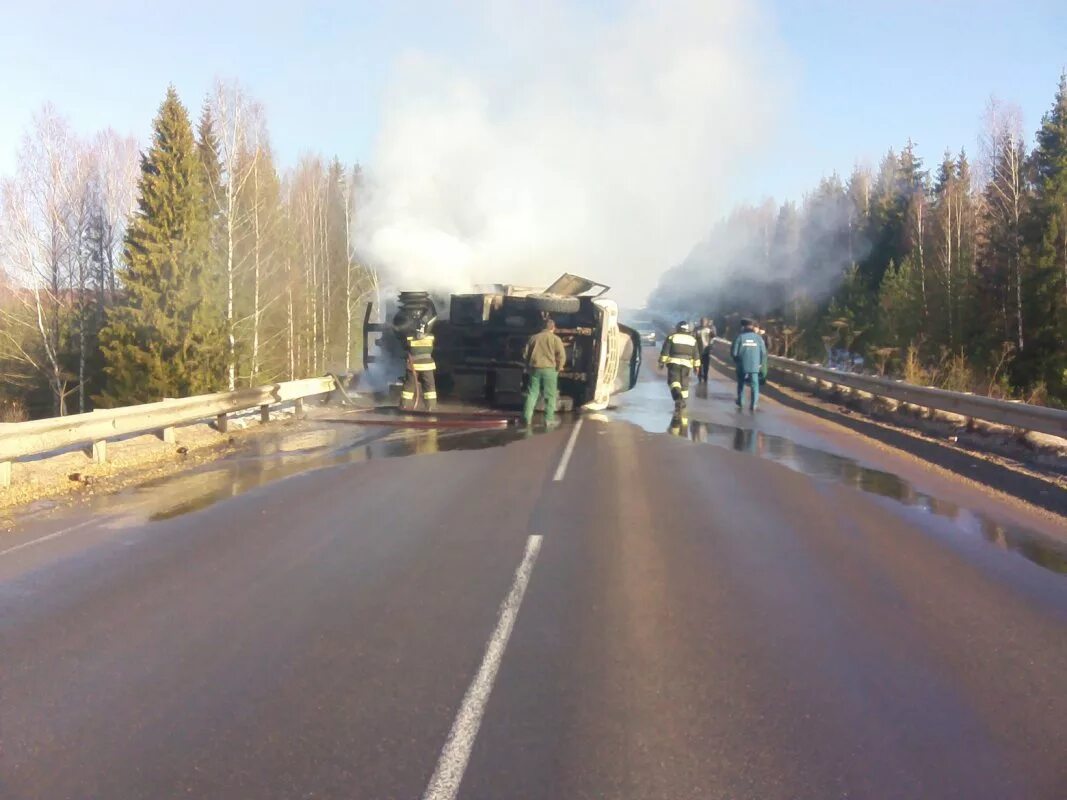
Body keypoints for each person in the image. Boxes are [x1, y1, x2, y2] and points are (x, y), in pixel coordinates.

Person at [522, 317, 567, 427]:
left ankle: (527, 419)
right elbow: (561, 356)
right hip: (550, 370)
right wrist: (559, 368)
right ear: (553, 328)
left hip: (535, 369)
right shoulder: (556, 339)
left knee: (532, 394)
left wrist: (528, 367)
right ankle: (548, 420)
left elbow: (525, 354)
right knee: (550, 396)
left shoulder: (533, 338)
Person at [659, 320, 701, 411]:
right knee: (684, 383)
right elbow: (696, 354)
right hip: (687, 364)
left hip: (674, 363)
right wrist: (696, 366)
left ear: (678, 328)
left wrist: (661, 362)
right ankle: (683, 401)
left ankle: (678, 398)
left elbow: (665, 351)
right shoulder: (692, 340)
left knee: (674, 381)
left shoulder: (672, 337)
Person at [731, 318, 767, 411]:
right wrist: (760, 364)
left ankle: (741, 401)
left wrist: (737, 361)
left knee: (741, 383)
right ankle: (754, 404)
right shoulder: (758, 338)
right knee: (755, 384)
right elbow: (763, 353)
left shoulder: (740, 337)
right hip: (755, 366)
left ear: (743, 327)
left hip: (742, 365)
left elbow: (734, 353)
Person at [401, 318, 438, 411]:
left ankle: (404, 405)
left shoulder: (409, 337)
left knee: (409, 386)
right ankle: (431, 407)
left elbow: (405, 347)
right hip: (427, 365)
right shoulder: (431, 337)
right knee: (429, 386)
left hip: (413, 365)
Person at [694, 317, 717, 383]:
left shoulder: (709, 329)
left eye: (704, 321)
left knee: (706, 365)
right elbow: (693, 337)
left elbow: (713, 335)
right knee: (700, 365)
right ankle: (700, 376)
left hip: (706, 350)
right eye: (702, 321)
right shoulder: (697, 329)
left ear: (707, 322)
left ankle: (705, 376)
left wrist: (711, 329)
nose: (703, 323)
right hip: (699, 350)